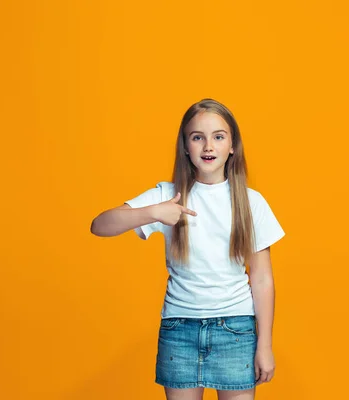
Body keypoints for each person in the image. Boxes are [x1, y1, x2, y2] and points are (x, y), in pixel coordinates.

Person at [90, 98, 285, 400]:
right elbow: (100, 225)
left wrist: (265, 345)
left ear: (232, 146)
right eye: (198, 137)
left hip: (235, 330)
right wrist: (152, 212)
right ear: (185, 146)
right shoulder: (167, 196)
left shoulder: (251, 202)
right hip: (179, 330)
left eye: (218, 137)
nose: (208, 146)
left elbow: (262, 279)